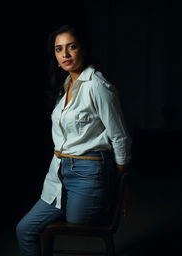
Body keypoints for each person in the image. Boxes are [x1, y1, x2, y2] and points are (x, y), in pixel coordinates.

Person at [16, 24, 131, 256]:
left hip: (89, 169)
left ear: (84, 49)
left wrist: (121, 183)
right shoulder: (66, 85)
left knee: (77, 219)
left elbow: (119, 135)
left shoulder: (97, 86)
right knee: (24, 229)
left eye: (72, 47)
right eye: (59, 49)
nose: (65, 54)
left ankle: (101, 197)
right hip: (59, 171)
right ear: (55, 56)